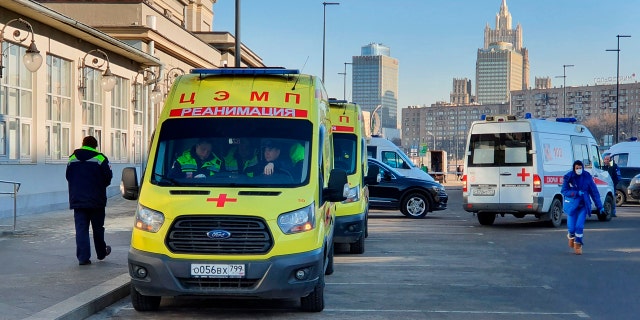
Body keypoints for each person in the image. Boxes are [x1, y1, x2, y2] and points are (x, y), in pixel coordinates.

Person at [66, 136, 113, 266]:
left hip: (78, 200)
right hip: (96, 200)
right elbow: (108, 177)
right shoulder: (100, 158)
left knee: (81, 229)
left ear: (83, 144)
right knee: (98, 228)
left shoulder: (72, 158)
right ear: (95, 146)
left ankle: (83, 258)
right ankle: (101, 253)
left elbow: (68, 177)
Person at [561, 160, 605, 255]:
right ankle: (571, 236)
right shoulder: (568, 177)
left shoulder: (587, 177)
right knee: (571, 228)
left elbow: (594, 192)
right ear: (574, 168)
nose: (579, 170)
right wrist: (575, 193)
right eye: (577, 168)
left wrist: (600, 206)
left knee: (579, 226)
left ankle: (578, 244)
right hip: (572, 205)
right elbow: (564, 191)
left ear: (583, 167)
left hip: (583, 205)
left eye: (580, 168)